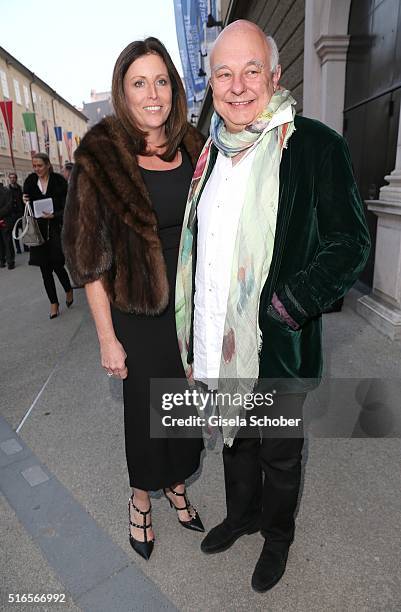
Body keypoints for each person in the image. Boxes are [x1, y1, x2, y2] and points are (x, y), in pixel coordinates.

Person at [176, 20, 371, 592]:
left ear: (275, 74)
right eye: (223, 74)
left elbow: (351, 244)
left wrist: (287, 306)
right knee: (235, 442)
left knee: (279, 455)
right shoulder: (208, 154)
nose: (238, 87)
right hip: (217, 339)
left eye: (250, 70)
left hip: (277, 346)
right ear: (211, 84)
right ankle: (243, 516)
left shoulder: (313, 146)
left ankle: (277, 536)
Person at [62, 37, 206, 561]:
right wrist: (107, 338)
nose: (153, 94)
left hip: (191, 309)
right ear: (123, 92)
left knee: (183, 403)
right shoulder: (101, 155)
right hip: (137, 312)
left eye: (161, 80)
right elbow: (87, 257)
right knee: (146, 412)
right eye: (139, 83)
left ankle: (176, 484)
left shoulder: (195, 145)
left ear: (174, 87)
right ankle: (142, 496)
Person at [23, 153, 73, 318]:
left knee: (58, 265)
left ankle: (67, 288)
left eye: (40, 165)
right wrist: (24, 200)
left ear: (48, 165)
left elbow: (68, 207)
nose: (37, 169)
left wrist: (55, 215)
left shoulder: (59, 182)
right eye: (34, 166)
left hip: (55, 230)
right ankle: (53, 303)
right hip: (38, 232)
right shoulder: (30, 182)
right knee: (45, 270)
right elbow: (27, 204)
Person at [8, 172, 27, 254]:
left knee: (24, 231)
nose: (12, 179)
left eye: (14, 177)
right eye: (11, 178)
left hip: (21, 212)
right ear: (9, 179)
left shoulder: (20, 188)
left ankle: (26, 247)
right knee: (15, 232)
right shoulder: (7, 190)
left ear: (16, 178)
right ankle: (18, 248)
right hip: (13, 214)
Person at [0, 182, 15, 269]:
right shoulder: (7, 191)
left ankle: (8, 261)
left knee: (6, 241)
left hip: (5, 220)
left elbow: (9, 206)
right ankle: (5, 261)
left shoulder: (6, 191)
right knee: (6, 241)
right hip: (5, 219)